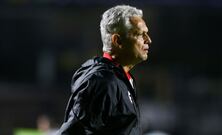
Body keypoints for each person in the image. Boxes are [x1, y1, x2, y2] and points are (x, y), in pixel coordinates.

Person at [57, 5, 152, 135]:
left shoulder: (120, 77)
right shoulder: (103, 81)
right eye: (140, 34)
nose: (148, 40)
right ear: (117, 40)